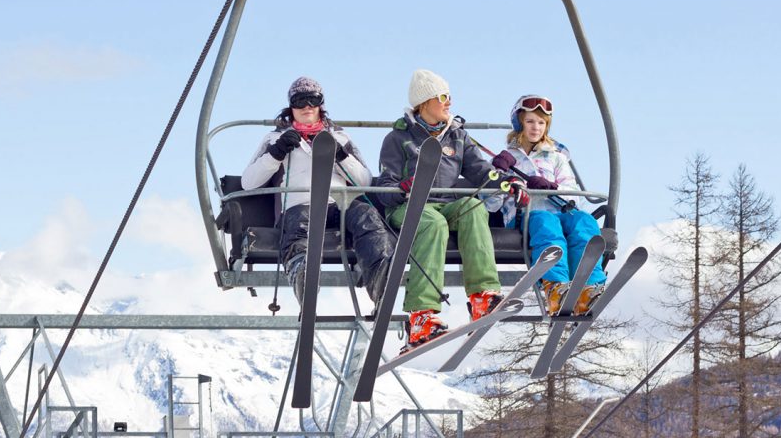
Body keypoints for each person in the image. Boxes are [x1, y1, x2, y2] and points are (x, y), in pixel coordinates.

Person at [376, 69, 516, 350]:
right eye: (443, 96)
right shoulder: (398, 138)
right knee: (432, 223)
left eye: (449, 96)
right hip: (407, 208)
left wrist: (505, 181)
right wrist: (404, 186)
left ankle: (482, 296)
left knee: (474, 207)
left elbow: (479, 170)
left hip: (446, 204)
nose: (449, 102)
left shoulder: (456, 136)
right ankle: (421, 315)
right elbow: (386, 187)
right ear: (424, 102)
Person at [242, 77, 393, 309]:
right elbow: (249, 182)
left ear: (321, 103)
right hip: (299, 206)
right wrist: (277, 152)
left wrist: (341, 156)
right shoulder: (274, 139)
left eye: (313, 99)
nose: (307, 106)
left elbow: (363, 180)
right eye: (300, 100)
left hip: (338, 205)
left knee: (366, 216)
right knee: (299, 222)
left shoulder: (340, 137)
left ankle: (379, 277)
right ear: (291, 106)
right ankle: (303, 273)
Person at [489, 94, 607, 315]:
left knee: (585, 221)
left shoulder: (556, 157)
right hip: (525, 216)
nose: (536, 127)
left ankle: (588, 288)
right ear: (519, 123)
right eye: (530, 121)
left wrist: (551, 188)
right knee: (547, 223)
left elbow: (574, 196)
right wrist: (497, 176)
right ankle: (555, 287)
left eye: (542, 123)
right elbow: (490, 203)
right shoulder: (506, 159)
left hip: (560, 210)